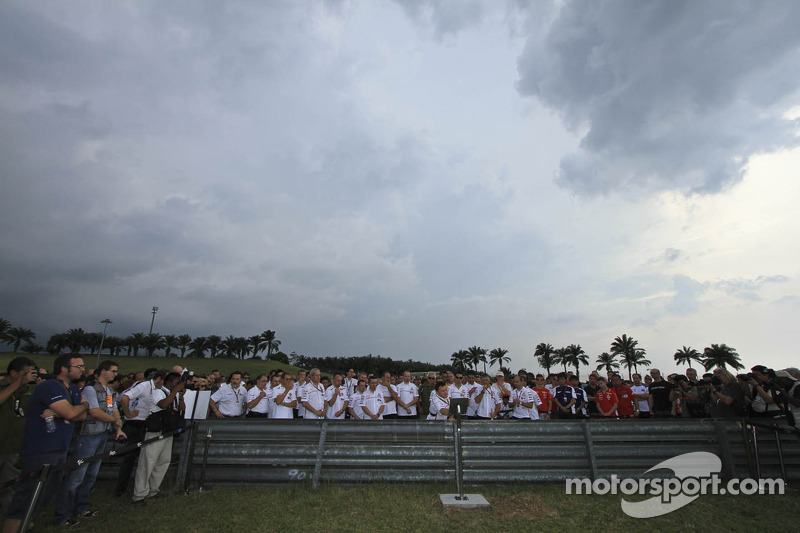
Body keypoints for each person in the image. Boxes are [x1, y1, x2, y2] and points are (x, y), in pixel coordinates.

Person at [3, 354, 89, 531]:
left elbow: (81, 415)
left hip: (59, 448)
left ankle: (25, 525)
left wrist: (79, 408)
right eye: (78, 366)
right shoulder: (50, 387)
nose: (82, 369)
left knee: (39, 499)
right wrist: (78, 408)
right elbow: (72, 414)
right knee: (24, 499)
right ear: (64, 368)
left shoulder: (72, 388)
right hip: (40, 449)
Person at [54, 361, 126, 524]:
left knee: (91, 475)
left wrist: (118, 428)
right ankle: (62, 515)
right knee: (77, 476)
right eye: (113, 371)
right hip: (88, 436)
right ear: (103, 371)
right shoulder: (90, 389)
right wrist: (115, 420)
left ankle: (80, 508)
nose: (115, 374)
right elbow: (94, 412)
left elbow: (112, 408)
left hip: (101, 434)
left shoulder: (108, 390)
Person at [131, 372, 185, 504]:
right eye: (177, 383)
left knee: (163, 461)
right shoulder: (159, 392)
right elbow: (163, 405)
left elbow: (181, 409)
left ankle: (153, 490)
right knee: (148, 462)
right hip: (156, 431)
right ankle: (139, 494)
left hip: (168, 431)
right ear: (172, 382)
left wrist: (181, 397)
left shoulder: (175, 394)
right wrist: (175, 392)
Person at [0, 357, 37, 513]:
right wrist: (19, 383)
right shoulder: (3, 386)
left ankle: (11, 519)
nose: (29, 376)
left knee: (10, 485)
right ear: (13, 373)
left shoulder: (28, 391)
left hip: (14, 447)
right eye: (25, 373)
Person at [115, 368, 159, 497]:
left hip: (141, 422)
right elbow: (123, 398)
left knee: (136, 458)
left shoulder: (140, 386)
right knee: (130, 458)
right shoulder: (142, 386)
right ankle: (121, 489)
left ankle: (129, 487)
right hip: (135, 424)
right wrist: (128, 413)